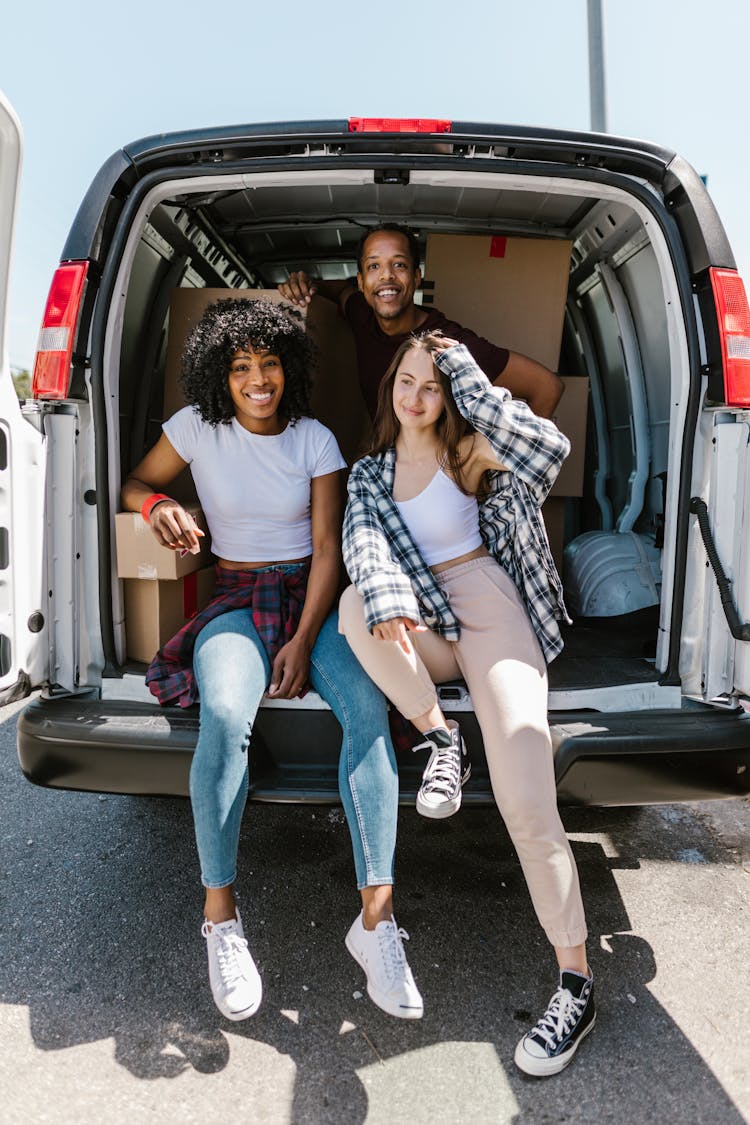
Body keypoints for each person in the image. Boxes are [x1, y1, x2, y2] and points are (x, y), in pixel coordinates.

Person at [121, 297, 423, 1024]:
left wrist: (302, 636)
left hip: (311, 598)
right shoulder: (196, 427)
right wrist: (156, 504)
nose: (258, 379)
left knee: (367, 708)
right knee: (226, 714)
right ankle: (220, 918)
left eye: (269, 363)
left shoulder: (316, 439)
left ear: (290, 367)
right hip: (236, 595)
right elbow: (134, 481)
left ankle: (377, 924)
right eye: (241, 367)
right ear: (220, 377)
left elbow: (326, 550)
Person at [338, 331, 595, 1076]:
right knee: (360, 602)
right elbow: (363, 543)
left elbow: (550, 447)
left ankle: (575, 981)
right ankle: (439, 735)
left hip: (490, 603)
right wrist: (389, 597)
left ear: (451, 394)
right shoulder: (370, 475)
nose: (416, 396)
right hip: (422, 615)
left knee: (524, 784)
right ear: (390, 386)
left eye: (432, 385)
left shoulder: (471, 449)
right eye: (407, 381)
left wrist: (468, 378)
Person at [278, 222, 564, 420]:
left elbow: (547, 386)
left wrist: (514, 471)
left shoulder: (449, 343)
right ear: (362, 282)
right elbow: (340, 290)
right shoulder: (360, 313)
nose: (387, 275)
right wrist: (306, 284)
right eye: (374, 266)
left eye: (399, 265)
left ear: (416, 278)